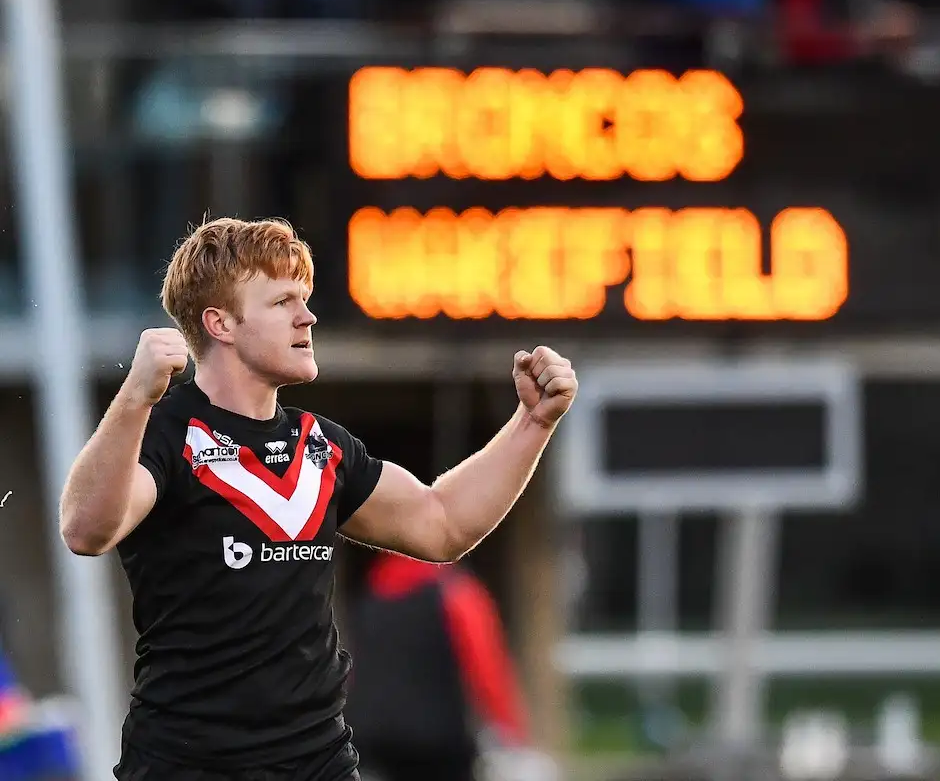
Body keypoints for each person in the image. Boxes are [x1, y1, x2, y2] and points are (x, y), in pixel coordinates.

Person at [57, 217, 579, 781]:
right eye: (282, 301)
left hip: (318, 762)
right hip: (188, 764)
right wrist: (134, 398)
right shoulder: (166, 430)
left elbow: (442, 523)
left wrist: (533, 422)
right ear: (221, 323)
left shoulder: (323, 446)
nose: (307, 316)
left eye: (303, 299)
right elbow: (85, 530)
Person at [346, 552, 530, 781]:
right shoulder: (455, 592)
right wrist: (513, 732)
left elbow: (356, 669)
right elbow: (488, 671)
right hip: (439, 746)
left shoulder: (372, 594)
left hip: (375, 743)